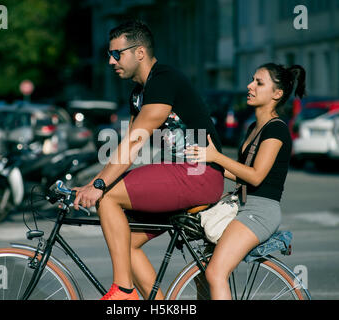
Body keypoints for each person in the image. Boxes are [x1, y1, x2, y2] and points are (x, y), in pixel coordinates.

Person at [72, 20, 225, 300]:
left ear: (139, 52)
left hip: (199, 174)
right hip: (178, 174)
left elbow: (135, 142)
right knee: (124, 242)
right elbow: (124, 151)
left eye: (117, 53)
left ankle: (124, 290)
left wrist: (99, 185)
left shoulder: (164, 79)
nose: (110, 60)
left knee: (107, 196)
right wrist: (88, 184)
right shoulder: (137, 94)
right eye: (110, 54)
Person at [185, 63, 306, 299]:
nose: (250, 86)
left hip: (260, 212)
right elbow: (242, 173)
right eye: (252, 80)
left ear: (277, 94)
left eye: (259, 83)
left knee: (216, 274)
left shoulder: (276, 130)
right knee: (203, 275)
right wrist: (208, 165)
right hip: (241, 205)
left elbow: (256, 175)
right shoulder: (254, 127)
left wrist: (217, 157)